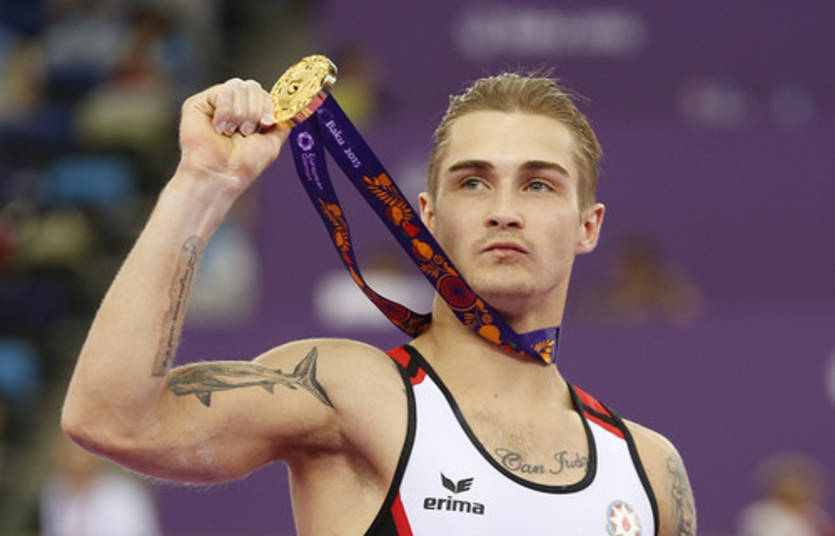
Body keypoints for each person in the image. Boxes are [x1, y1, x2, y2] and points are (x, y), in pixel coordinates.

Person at [61, 71, 697, 534]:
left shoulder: (648, 472)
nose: (504, 211)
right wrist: (203, 182)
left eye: (538, 185)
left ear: (588, 225)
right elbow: (112, 419)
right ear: (429, 216)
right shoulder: (347, 395)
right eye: (473, 182)